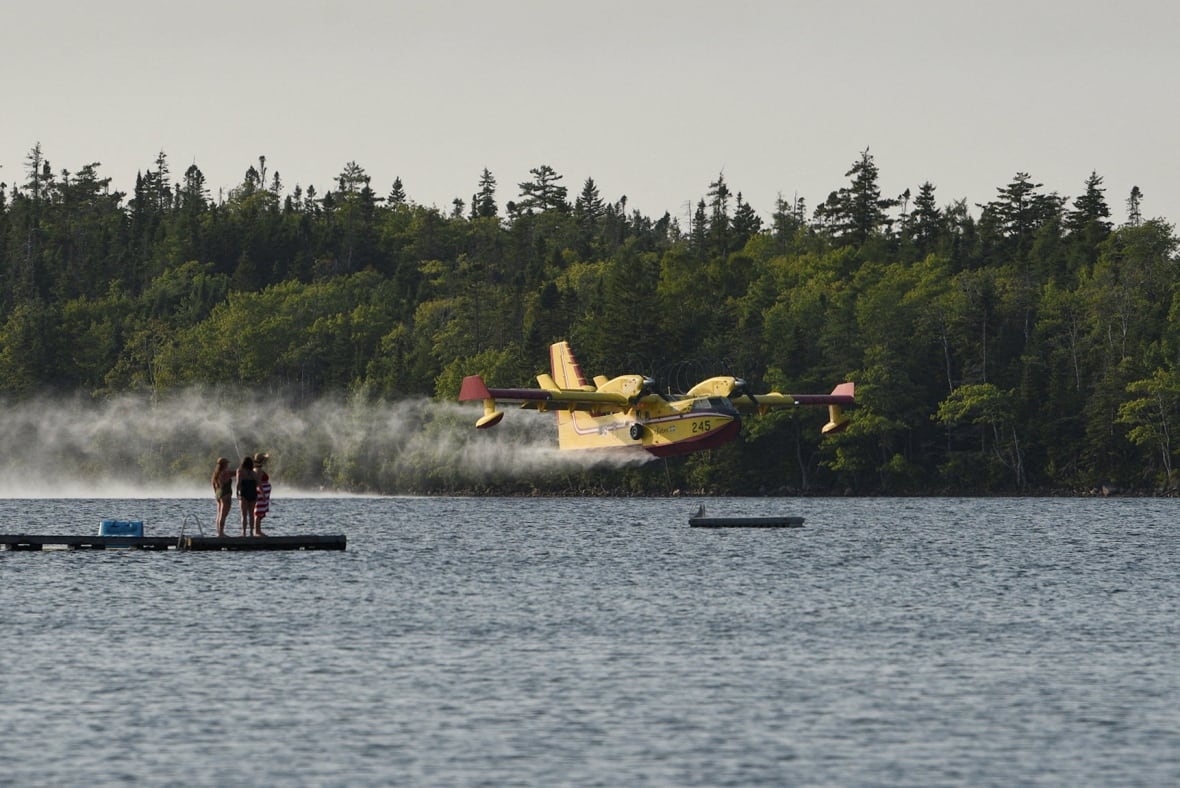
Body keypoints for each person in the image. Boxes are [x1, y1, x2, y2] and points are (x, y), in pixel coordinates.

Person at [236, 456, 259, 537]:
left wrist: (237, 493)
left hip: (244, 493)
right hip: (253, 493)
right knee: (252, 514)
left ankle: (244, 532)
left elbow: (238, 483)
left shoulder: (240, 471)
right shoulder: (254, 473)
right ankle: (252, 533)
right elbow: (258, 484)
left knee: (244, 514)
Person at [211, 457, 234, 537]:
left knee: (219, 514)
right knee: (223, 515)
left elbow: (213, 485)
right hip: (225, 494)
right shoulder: (226, 472)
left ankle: (219, 532)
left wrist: (216, 494)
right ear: (224, 464)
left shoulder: (216, 473)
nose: (228, 465)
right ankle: (221, 533)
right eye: (227, 463)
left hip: (218, 493)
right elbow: (236, 473)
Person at [252, 452, 271, 536]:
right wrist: (263, 494)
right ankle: (257, 531)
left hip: (262, 493)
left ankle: (258, 530)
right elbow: (258, 483)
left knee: (260, 512)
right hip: (261, 493)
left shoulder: (256, 469)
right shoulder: (258, 470)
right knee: (258, 512)